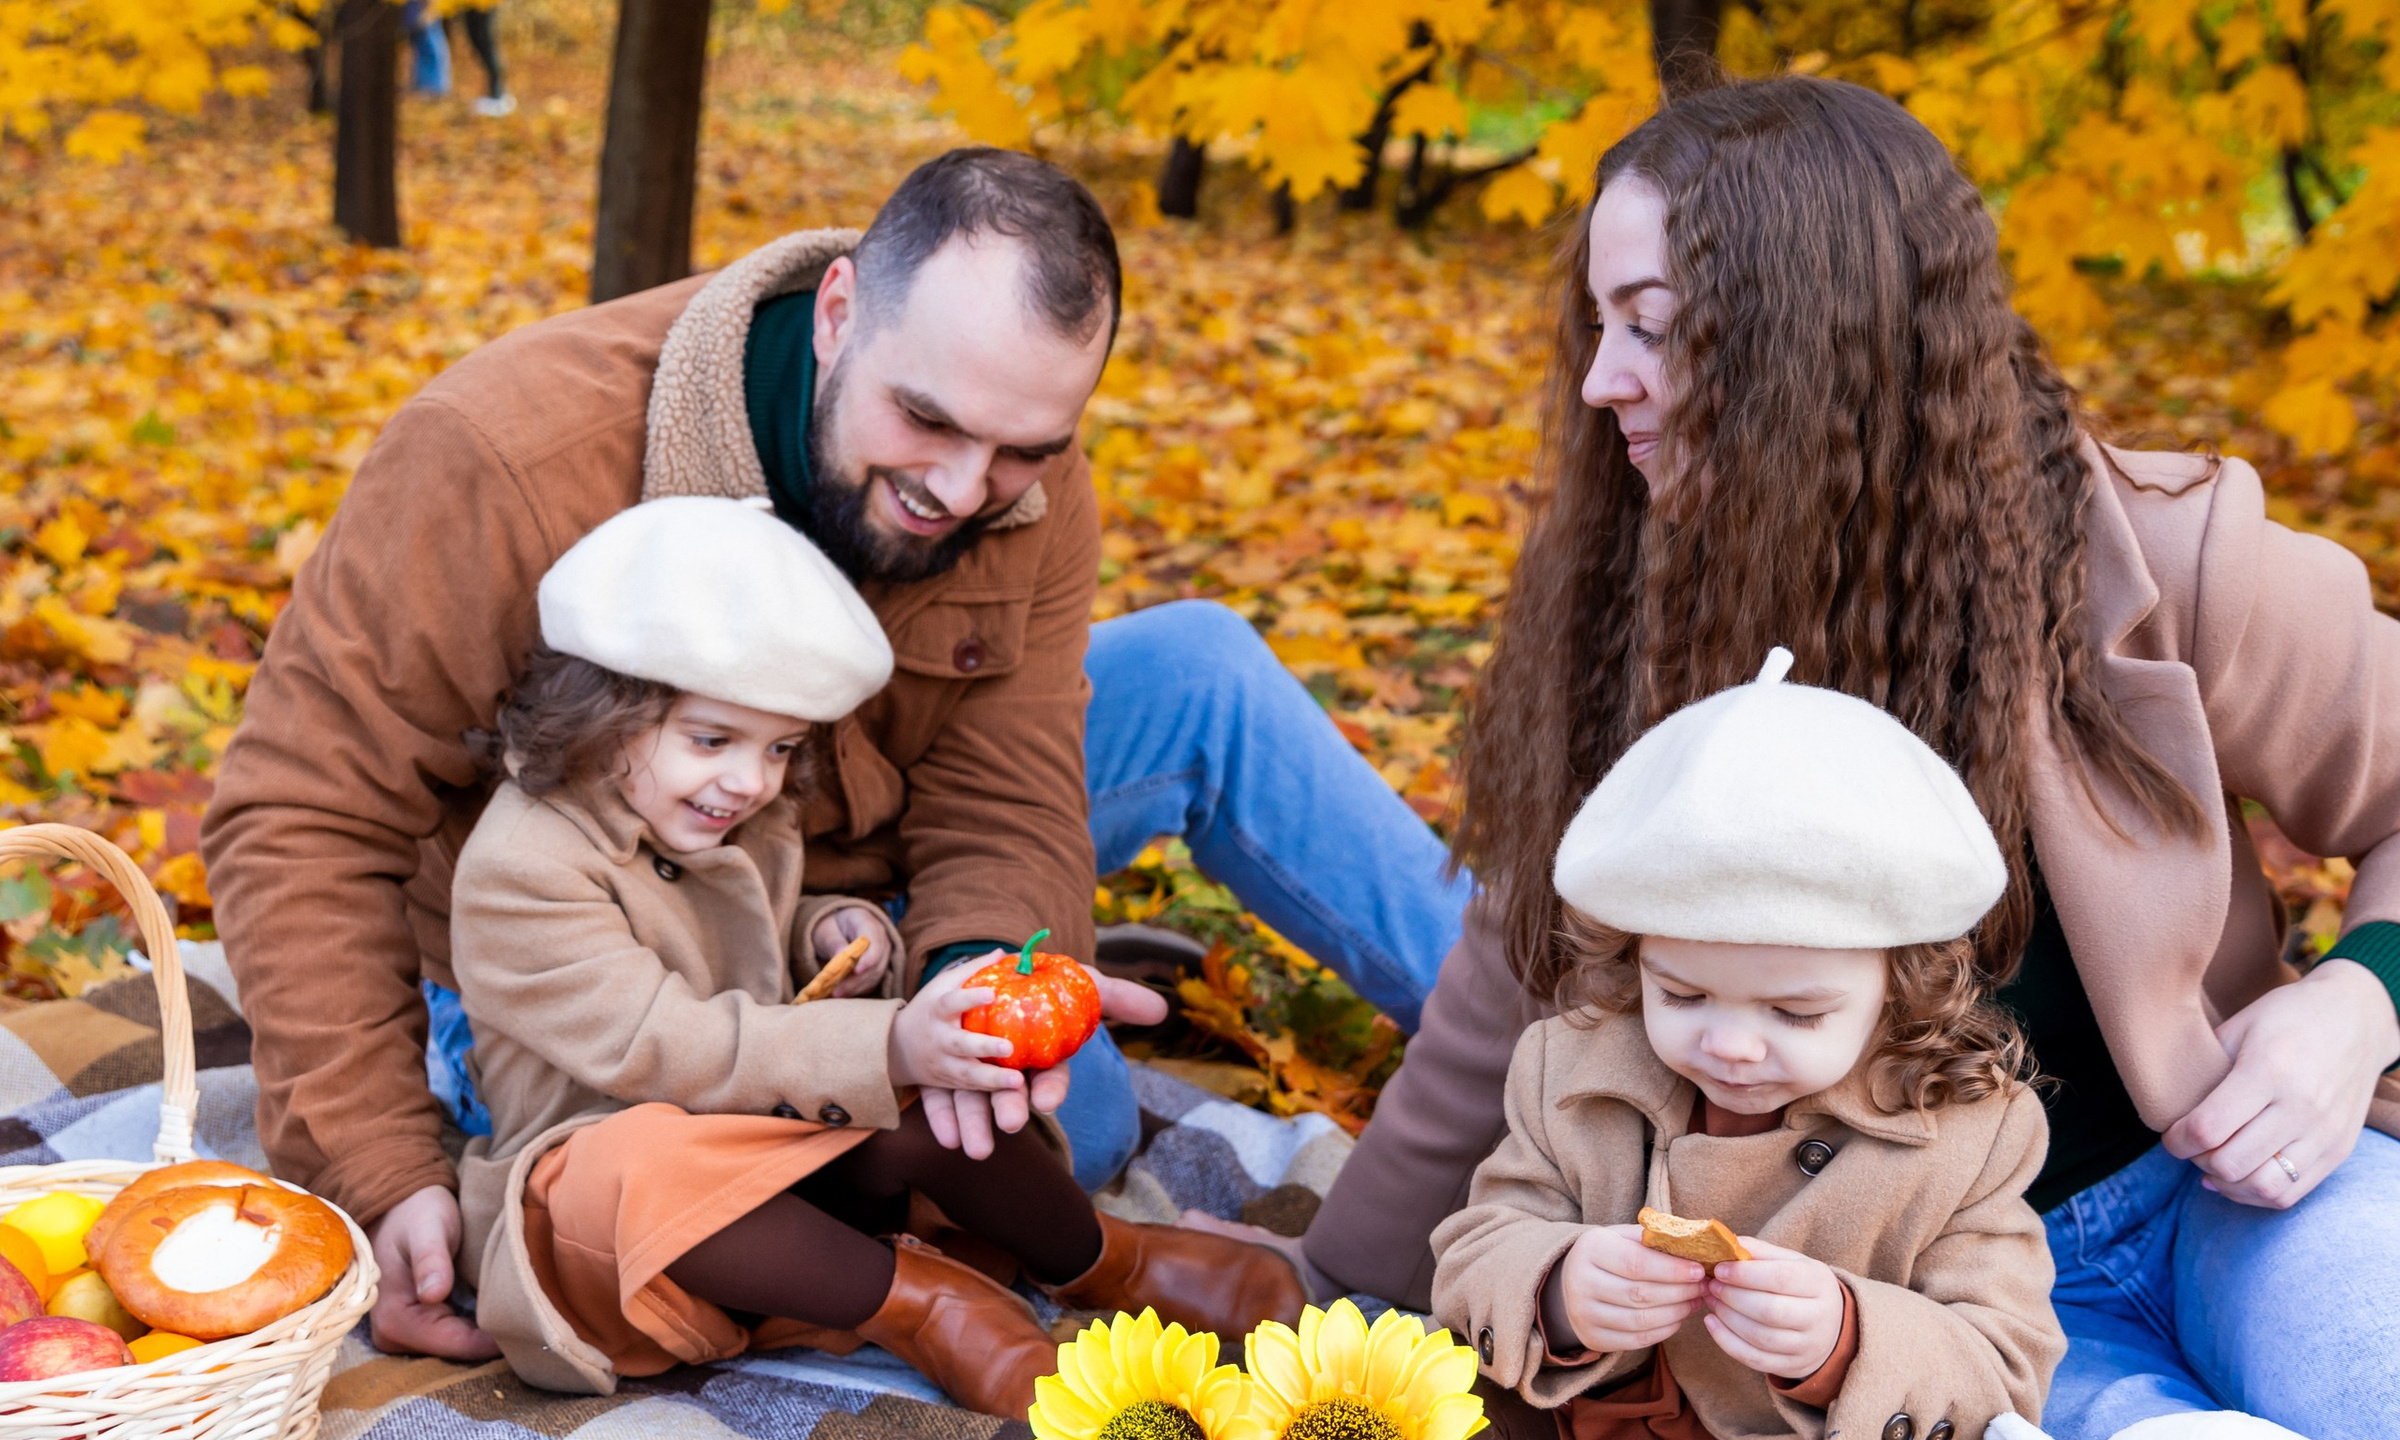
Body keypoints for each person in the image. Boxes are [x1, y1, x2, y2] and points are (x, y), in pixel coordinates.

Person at [201, 146, 1468, 1363]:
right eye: (926, 421)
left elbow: (1009, 783)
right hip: (600, 954)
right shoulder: (502, 458)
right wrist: (376, 1169)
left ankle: (1536, 1035)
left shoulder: (1018, 473)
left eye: (1026, 449)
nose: (967, 491)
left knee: (1196, 668)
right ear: (838, 311)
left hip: (839, 900)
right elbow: (300, 815)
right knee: (1069, 1138)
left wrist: (978, 992)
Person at [1304, 76, 2400, 1440]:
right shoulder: (1626, 620)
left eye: (1649, 327)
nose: (1600, 379)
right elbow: (1513, 987)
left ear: (1815, 336)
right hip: (1902, 1296)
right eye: (1599, 325)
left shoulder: (2161, 558)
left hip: (2231, 1193)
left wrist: (2364, 996)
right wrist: (1334, 1304)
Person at [448, 497, 1299, 1414]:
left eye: (779, 748)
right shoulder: (518, 869)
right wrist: (883, 1040)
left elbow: (748, 931)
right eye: (711, 740)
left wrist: (830, 929)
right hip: (622, 1220)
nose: (750, 779)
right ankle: (925, 1306)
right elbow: (660, 1042)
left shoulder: (722, 808)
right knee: (629, 1166)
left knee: (935, 1097)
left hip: (767, 1148)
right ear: (602, 711)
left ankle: (1097, 1259)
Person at [1433, 648, 2060, 1439]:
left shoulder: (1966, 1135)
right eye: (1682, 995)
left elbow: (2005, 1362)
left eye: (1795, 1014)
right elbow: (1476, 1250)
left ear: (1903, 988)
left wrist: (1847, 1338)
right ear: (1633, 958)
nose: (1729, 1045)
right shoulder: (1570, 1071)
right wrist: (1557, 1291)